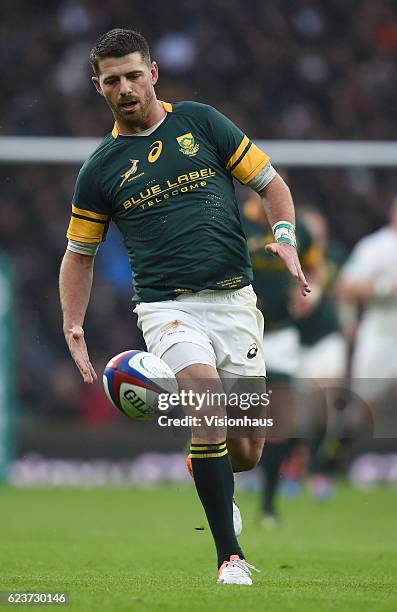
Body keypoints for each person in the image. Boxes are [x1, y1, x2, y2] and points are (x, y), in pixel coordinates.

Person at [59, 28, 310, 586]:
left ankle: (205, 463)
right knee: (202, 391)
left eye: (132, 75)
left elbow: (271, 185)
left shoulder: (201, 122)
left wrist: (286, 237)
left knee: (244, 450)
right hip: (167, 307)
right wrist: (73, 324)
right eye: (111, 80)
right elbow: (79, 255)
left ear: (153, 73)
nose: (125, 88)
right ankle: (230, 556)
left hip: (235, 303)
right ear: (97, 87)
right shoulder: (100, 170)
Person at [242, 194, 318, 525]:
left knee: (280, 420)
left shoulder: (297, 230)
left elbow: (315, 266)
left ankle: (269, 506)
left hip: (281, 332)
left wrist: (309, 293)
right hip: (242, 330)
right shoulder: (236, 221)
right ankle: (223, 494)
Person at [337, 196, 397, 424]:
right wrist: (386, 288)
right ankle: (355, 454)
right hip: (380, 330)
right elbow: (346, 285)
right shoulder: (376, 246)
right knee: (365, 404)